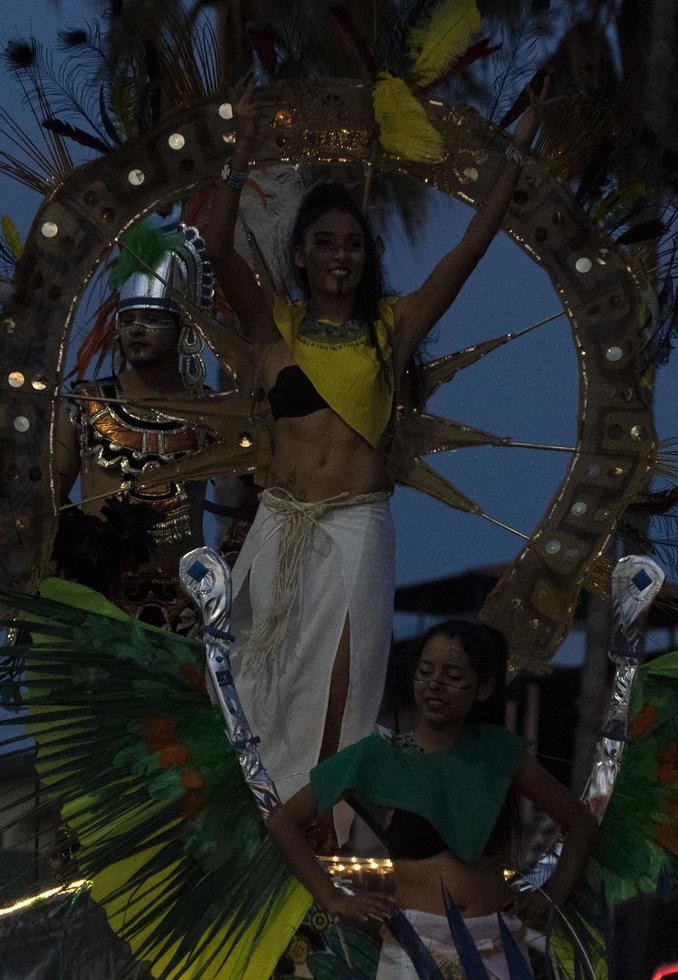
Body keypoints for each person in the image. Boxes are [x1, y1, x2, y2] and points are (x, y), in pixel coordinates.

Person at [200, 82, 554, 824]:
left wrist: (514, 152)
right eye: (324, 242)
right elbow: (215, 243)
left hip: (358, 523)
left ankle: (321, 825)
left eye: (353, 243)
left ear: (369, 256)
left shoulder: (395, 326)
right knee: (256, 680)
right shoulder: (274, 324)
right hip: (281, 522)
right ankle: (256, 822)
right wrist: (239, 157)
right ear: (299, 252)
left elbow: (471, 245)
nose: (339, 255)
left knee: (345, 679)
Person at [266, 620, 597, 977]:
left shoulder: (497, 752)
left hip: (497, 944)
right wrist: (332, 898)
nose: (435, 685)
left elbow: (579, 821)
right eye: (425, 672)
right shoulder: (379, 757)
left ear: (482, 688)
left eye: (453, 675)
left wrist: (551, 895)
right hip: (415, 948)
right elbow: (282, 821)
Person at [52, 222, 214, 636]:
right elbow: (46, 498)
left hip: (190, 611)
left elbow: (245, 503)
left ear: (183, 329)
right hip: (97, 608)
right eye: (129, 320)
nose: (137, 329)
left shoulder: (214, 412)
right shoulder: (85, 406)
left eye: (153, 318)